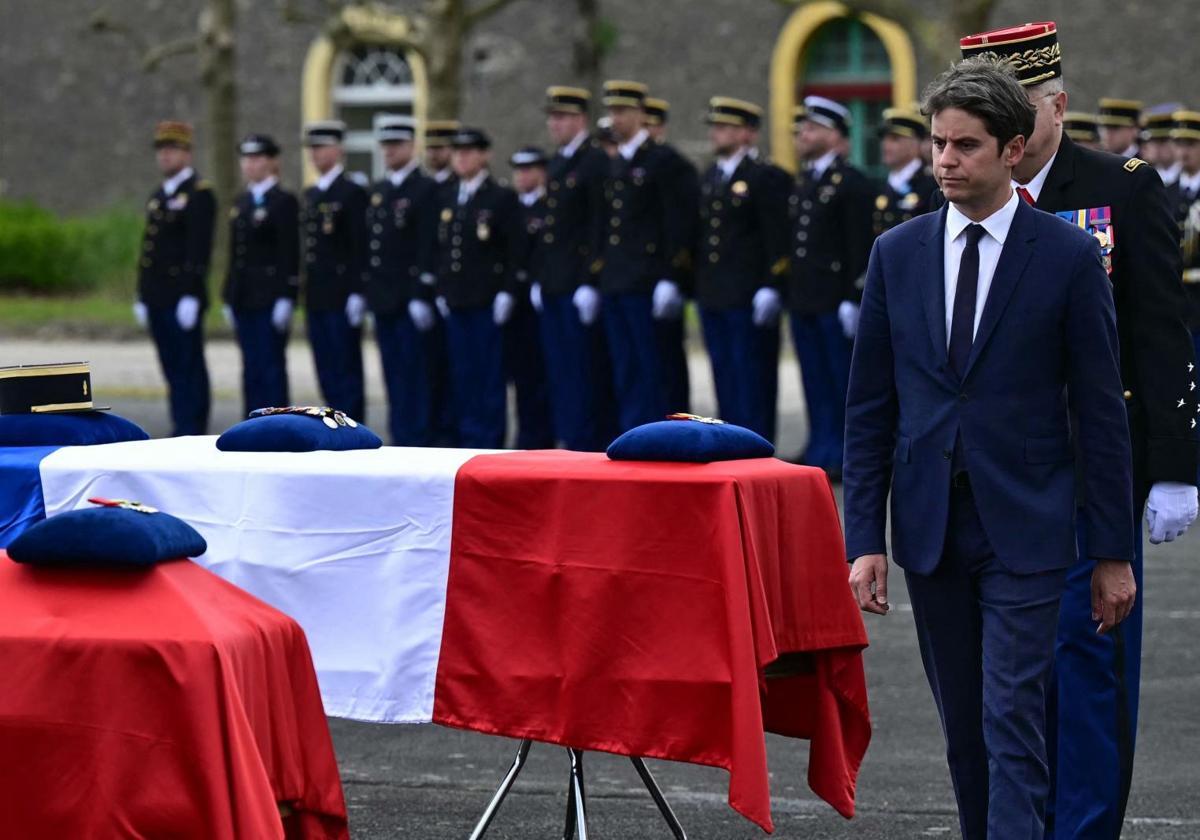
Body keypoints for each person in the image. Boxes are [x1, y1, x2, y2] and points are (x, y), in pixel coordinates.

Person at [845, 57, 1137, 840]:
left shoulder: (1070, 256)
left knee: (1012, 716)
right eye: (938, 143)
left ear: (1013, 149)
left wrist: (1112, 551)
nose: (945, 160)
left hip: (1030, 526)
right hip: (932, 529)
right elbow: (870, 407)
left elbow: (1101, 414)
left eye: (965, 146)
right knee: (966, 731)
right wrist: (863, 539)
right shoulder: (897, 254)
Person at [955, 25, 1199, 837]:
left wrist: (1175, 464)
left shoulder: (1121, 186)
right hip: (998, 467)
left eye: (1018, 108)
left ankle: (1085, 826)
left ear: (1057, 104)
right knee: (1007, 667)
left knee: (1086, 654)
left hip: (1096, 459)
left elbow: (1161, 332)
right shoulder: (970, 187)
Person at [786, 96, 874, 479]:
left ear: (833, 134)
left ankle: (841, 450)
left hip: (835, 297)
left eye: (811, 128)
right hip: (806, 296)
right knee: (813, 376)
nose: (802, 135)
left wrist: (855, 296)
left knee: (840, 380)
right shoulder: (807, 180)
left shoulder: (851, 182)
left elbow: (860, 244)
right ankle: (819, 442)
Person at [594, 80, 689, 431]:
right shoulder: (618, 164)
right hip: (618, 277)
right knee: (625, 366)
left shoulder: (663, 161)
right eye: (612, 112)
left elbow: (676, 223)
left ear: (639, 114)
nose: (615, 119)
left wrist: (670, 276)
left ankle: (657, 435)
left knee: (653, 368)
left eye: (621, 111)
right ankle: (632, 431)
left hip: (647, 279)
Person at [694, 96, 787, 440]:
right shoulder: (711, 177)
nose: (716, 134)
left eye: (725, 127)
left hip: (749, 292)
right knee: (724, 373)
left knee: (753, 375)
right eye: (715, 127)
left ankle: (755, 441)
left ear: (748, 134)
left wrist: (771, 283)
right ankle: (731, 439)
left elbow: (776, 235)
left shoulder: (765, 177)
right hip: (715, 291)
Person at [424, 127, 522, 449]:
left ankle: (490, 439)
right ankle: (468, 436)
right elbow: (441, 249)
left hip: (486, 299)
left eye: (469, 152)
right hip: (455, 299)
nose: (461, 158)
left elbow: (513, 250)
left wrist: (508, 290)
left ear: (484, 156)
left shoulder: (500, 198)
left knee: (489, 375)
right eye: (457, 152)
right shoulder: (449, 196)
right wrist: (440, 288)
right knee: (462, 373)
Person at [532, 86, 617, 451]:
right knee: (560, 369)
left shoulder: (594, 161)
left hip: (577, 282)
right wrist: (541, 276)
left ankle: (587, 442)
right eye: (552, 117)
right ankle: (570, 437)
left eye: (562, 117)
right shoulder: (558, 162)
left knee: (584, 370)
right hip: (555, 281)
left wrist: (590, 279)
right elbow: (550, 229)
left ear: (580, 120)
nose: (555, 124)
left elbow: (599, 223)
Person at [365, 115, 451, 446]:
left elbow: (428, 245)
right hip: (385, 297)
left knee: (417, 376)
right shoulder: (381, 190)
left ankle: (418, 438)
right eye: (385, 145)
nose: (389, 151)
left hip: (409, 297)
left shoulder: (425, 189)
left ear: (411, 146)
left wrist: (421, 291)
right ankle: (401, 437)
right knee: (393, 375)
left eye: (396, 145)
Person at [135, 120, 215, 436]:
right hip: (157, 295)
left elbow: (198, 248)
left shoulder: (198, 194)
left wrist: (192, 294)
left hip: (182, 295)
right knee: (170, 367)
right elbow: (149, 250)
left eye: (172, 150)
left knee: (189, 366)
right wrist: (141, 293)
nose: (165, 156)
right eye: (161, 150)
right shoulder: (159, 195)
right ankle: (179, 423)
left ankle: (192, 428)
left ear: (187, 153)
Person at [222, 133, 298, 415]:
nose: (250, 165)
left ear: (272, 162)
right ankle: (252, 419)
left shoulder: (283, 201)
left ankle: (275, 422)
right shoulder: (241, 201)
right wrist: (229, 294)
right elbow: (236, 253)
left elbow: (289, 251)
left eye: (257, 158)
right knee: (250, 366)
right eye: (246, 159)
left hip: (269, 295)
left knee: (270, 366)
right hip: (244, 295)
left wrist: (287, 295)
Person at [300, 120, 368, 421]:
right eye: (313, 149)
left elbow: (358, 245)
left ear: (338, 150)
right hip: (317, 293)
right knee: (325, 367)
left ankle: (352, 426)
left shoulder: (352, 192)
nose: (316, 154)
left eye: (322, 147)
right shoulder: (312, 194)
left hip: (341, 293)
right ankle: (333, 423)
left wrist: (357, 291)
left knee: (346, 368)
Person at [644, 95, 696, 414]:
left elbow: (682, 225)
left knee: (666, 363)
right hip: (636, 277)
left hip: (662, 276)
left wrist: (673, 276)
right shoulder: (635, 165)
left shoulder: (672, 165)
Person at [507, 145, 555, 449]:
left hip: (541, 300)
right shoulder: (511, 207)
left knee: (543, 373)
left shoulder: (547, 207)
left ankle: (543, 435)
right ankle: (527, 434)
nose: (523, 176)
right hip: (516, 303)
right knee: (520, 374)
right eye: (519, 170)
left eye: (529, 170)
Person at [872, 107, 939, 237]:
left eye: (895, 139)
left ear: (916, 143)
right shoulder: (883, 187)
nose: (886, 145)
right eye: (884, 139)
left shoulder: (931, 185)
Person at [1143, 107, 1182, 187]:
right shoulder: (1146, 175)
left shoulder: (1186, 175)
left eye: (1162, 141)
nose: (1157, 147)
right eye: (1153, 141)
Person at [424, 120, 461, 185]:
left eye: (438, 148)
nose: (432, 153)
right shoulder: (424, 181)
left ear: (453, 149)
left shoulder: (460, 182)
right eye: (428, 147)